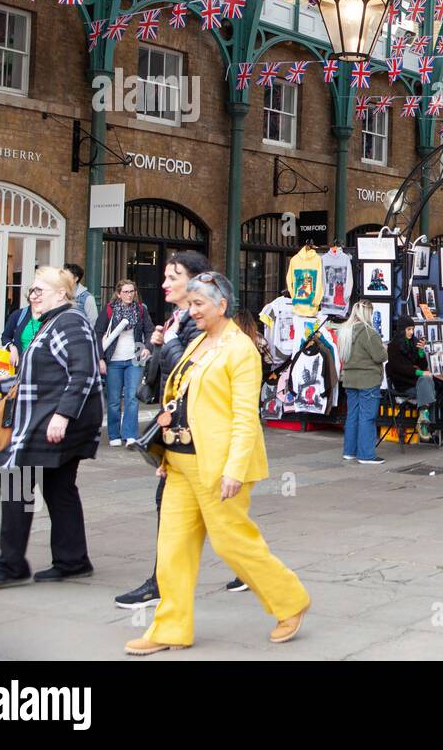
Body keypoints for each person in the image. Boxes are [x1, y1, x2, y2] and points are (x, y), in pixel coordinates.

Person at [125, 272, 309, 655]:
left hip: (219, 466)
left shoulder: (240, 349)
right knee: (173, 548)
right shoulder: (198, 344)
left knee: (232, 544)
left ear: (221, 305)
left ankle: (289, 601)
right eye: (190, 304)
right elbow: (179, 399)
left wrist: (235, 470)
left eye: (198, 305)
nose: (191, 312)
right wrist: (164, 451)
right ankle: (169, 628)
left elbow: (245, 416)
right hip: (179, 462)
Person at [0, 267, 103, 589]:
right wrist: (0, 385)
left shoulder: (70, 322)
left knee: (16, 482)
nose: (33, 295)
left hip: (52, 422)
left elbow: (84, 373)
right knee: (59, 489)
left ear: (62, 294)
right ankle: (73, 561)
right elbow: (39, 375)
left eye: (41, 290)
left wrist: (63, 416)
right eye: (32, 290)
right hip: (45, 419)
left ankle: (11, 564)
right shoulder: (49, 323)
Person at [115, 250, 211, 610]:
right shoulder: (178, 319)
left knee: (224, 523)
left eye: (173, 277)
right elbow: (164, 377)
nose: (164, 283)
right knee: (176, 508)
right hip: (180, 434)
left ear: (196, 282)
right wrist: (159, 345)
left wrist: (168, 344)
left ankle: (267, 583)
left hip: (196, 434)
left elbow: (192, 371)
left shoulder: (200, 321)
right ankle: (163, 585)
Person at [95, 279, 155, 447]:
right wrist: (100, 358)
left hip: (134, 358)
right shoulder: (109, 310)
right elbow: (97, 333)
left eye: (132, 291)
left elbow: (149, 331)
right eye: (126, 292)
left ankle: (130, 434)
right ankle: (114, 433)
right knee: (114, 400)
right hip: (113, 359)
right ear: (118, 293)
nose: (129, 295)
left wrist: (148, 348)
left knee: (131, 397)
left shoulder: (141, 310)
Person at [339, 300, 389, 465]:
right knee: (368, 417)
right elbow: (380, 357)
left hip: (349, 379)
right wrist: (384, 348)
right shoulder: (369, 333)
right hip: (368, 379)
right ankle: (366, 454)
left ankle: (349, 451)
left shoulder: (345, 331)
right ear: (368, 313)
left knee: (352, 415)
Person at [386, 315, 436, 438]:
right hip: (403, 383)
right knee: (428, 383)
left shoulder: (414, 342)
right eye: (408, 329)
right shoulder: (393, 346)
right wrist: (419, 372)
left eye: (412, 329)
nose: (411, 332)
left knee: (427, 380)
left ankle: (423, 414)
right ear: (402, 330)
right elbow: (400, 368)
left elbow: (423, 366)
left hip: (416, 381)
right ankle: (426, 422)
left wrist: (420, 351)